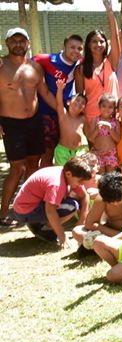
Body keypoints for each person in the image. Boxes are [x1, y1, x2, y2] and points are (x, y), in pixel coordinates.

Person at [1, 28, 47, 225]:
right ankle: (3, 213)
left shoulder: (35, 68)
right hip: (12, 124)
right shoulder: (1, 66)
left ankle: (28, 208)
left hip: (34, 122)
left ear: (28, 43)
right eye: (14, 41)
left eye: (22, 40)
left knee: (32, 166)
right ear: (7, 43)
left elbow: (45, 93)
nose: (18, 44)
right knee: (16, 168)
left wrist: (65, 111)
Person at [10, 154, 96, 247]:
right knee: (72, 206)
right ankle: (45, 228)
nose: (81, 184)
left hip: (31, 206)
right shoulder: (56, 184)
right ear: (69, 174)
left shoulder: (67, 173)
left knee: (74, 201)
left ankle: (39, 224)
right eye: (79, 181)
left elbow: (84, 196)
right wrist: (62, 236)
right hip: (25, 211)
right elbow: (50, 211)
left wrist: (82, 220)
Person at [34, 34, 83, 166]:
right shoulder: (46, 59)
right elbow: (22, 63)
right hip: (47, 114)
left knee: (63, 152)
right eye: (72, 47)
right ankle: (44, 184)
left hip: (65, 115)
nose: (76, 51)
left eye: (79, 48)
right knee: (46, 154)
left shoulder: (79, 63)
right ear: (63, 47)